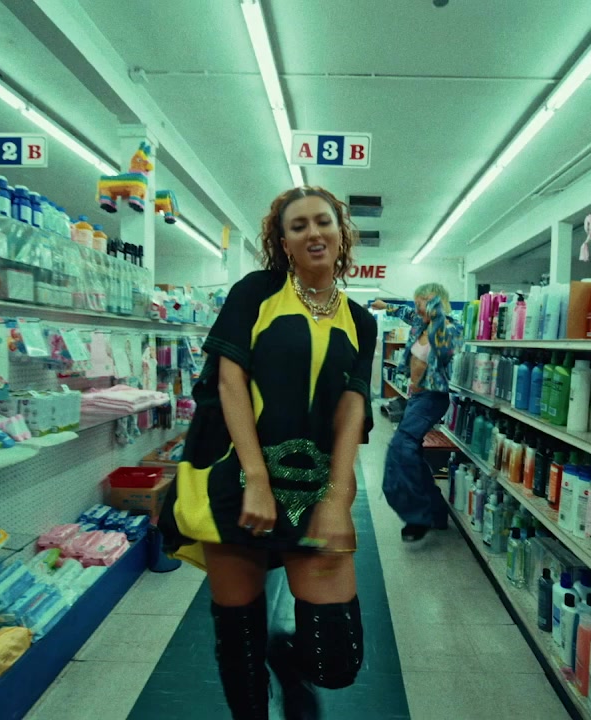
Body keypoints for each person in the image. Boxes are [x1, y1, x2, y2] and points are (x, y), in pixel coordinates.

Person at [159, 186, 376, 719]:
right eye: (298, 226)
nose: (313, 233)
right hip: (235, 476)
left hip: (310, 488)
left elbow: (352, 409)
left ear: (341, 232)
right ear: (283, 242)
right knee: (239, 639)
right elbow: (229, 381)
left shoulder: (361, 321)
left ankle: (287, 658)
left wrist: (337, 499)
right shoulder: (256, 292)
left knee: (337, 658)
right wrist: (255, 478)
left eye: (322, 221)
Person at [372, 284, 462, 542]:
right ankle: (437, 512)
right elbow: (405, 312)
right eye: (417, 301)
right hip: (416, 397)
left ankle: (418, 516)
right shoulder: (419, 323)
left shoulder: (450, 329)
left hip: (433, 399)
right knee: (412, 454)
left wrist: (436, 312)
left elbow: (444, 350)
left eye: (424, 301)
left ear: (438, 302)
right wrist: (385, 306)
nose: (418, 306)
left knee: (401, 448)